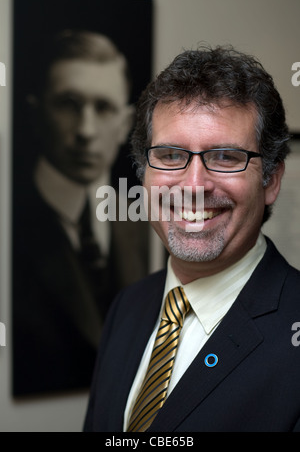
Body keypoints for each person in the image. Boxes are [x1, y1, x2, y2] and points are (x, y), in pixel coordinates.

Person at [83, 45, 300, 432]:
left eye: (225, 156)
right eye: (169, 155)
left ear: (272, 180)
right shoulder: (128, 306)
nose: (194, 185)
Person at [12, 30, 149, 395]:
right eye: (68, 104)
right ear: (36, 113)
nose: (86, 131)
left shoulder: (145, 224)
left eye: (103, 108)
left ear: (125, 125)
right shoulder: (9, 225)